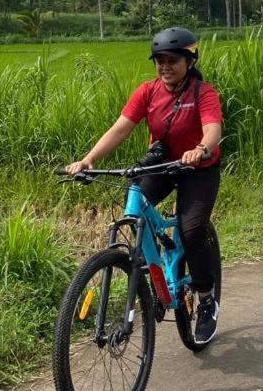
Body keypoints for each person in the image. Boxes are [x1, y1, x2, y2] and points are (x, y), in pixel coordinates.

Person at [65, 27, 223, 345]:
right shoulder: (148, 92)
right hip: (163, 164)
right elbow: (121, 128)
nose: (165, 66)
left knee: (192, 233)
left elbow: (213, 130)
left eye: (173, 60)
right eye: (159, 60)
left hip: (198, 169)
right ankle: (156, 274)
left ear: (190, 61)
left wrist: (201, 149)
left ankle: (206, 301)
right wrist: (88, 160)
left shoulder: (203, 93)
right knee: (135, 205)